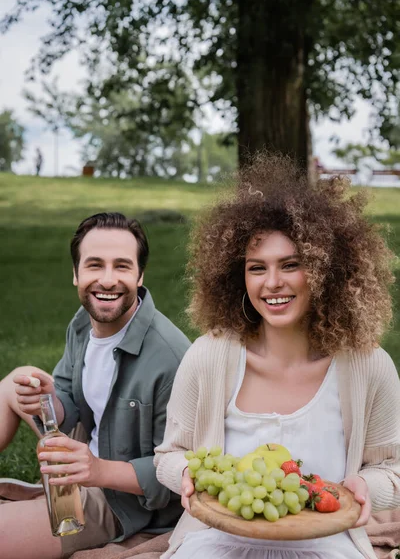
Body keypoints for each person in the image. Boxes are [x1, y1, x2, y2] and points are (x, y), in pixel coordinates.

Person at [154, 153, 400, 559]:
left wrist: (364, 487)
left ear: (327, 271)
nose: (272, 283)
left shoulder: (368, 366)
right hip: (215, 542)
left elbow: (391, 467)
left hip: (324, 543)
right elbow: (169, 455)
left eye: (291, 265)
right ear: (238, 276)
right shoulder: (208, 356)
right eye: (256, 268)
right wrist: (186, 473)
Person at [0, 212, 190, 559]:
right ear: (76, 275)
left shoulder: (172, 359)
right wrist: (46, 399)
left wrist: (96, 469)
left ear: (139, 274)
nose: (106, 280)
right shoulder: (82, 326)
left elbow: (179, 473)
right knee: (13, 382)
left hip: (124, 500)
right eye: (94, 265)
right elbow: (70, 400)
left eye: (121, 266)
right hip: (83, 460)